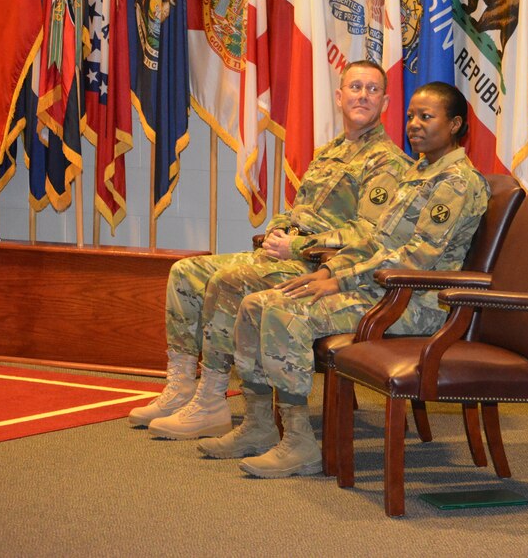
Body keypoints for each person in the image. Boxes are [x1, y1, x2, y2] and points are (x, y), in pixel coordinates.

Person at [195, 82, 490, 478]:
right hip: (380, 288)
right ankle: (260, 426)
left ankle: (300, 444)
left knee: (286, 313)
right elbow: (374, 239)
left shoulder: (456, 181)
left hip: (418, 303)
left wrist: (341, 281)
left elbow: (416, 258)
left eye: (426, 117)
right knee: (254, 305)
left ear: (455, 124)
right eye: (410, 116)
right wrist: (329, 270)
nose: (414, 125)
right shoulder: (418, 171)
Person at [131, 61, 411, 438]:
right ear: (339, 95)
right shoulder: (331, 152)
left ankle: (212, 399)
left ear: (386, 101)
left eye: (372, 90)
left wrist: (296, 244)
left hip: (319, 269)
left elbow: (367, 233)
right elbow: (302, 209)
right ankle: (181, 386)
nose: (363, 95)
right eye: (355, 87)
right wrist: (281, 226)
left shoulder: (386, 162)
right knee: (186, 271)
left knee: (229, 281)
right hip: (288, 254)